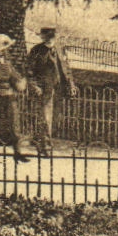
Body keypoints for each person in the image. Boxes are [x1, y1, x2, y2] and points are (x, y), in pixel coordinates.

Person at [26, 25, 79, 156]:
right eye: (46, 37)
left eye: (52, 37)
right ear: (42, 37)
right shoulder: (36, 51)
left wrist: (71, 85)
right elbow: (29, 71)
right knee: (46, 118)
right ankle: (45, 147)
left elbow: (67, 69)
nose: (49, 40)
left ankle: (39, 140)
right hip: (44, 89)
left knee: (56, 119)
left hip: (59, 89)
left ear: (55, 37)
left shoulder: (60, 49)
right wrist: (35, 86)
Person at [0, 34, 31, 163]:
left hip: (9, 96)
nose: (5, 50)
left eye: (6, 48)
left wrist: (20, 80)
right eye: (4, 48)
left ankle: (17, 153)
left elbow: (14, 76)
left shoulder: (9, 61)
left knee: (13, 123)